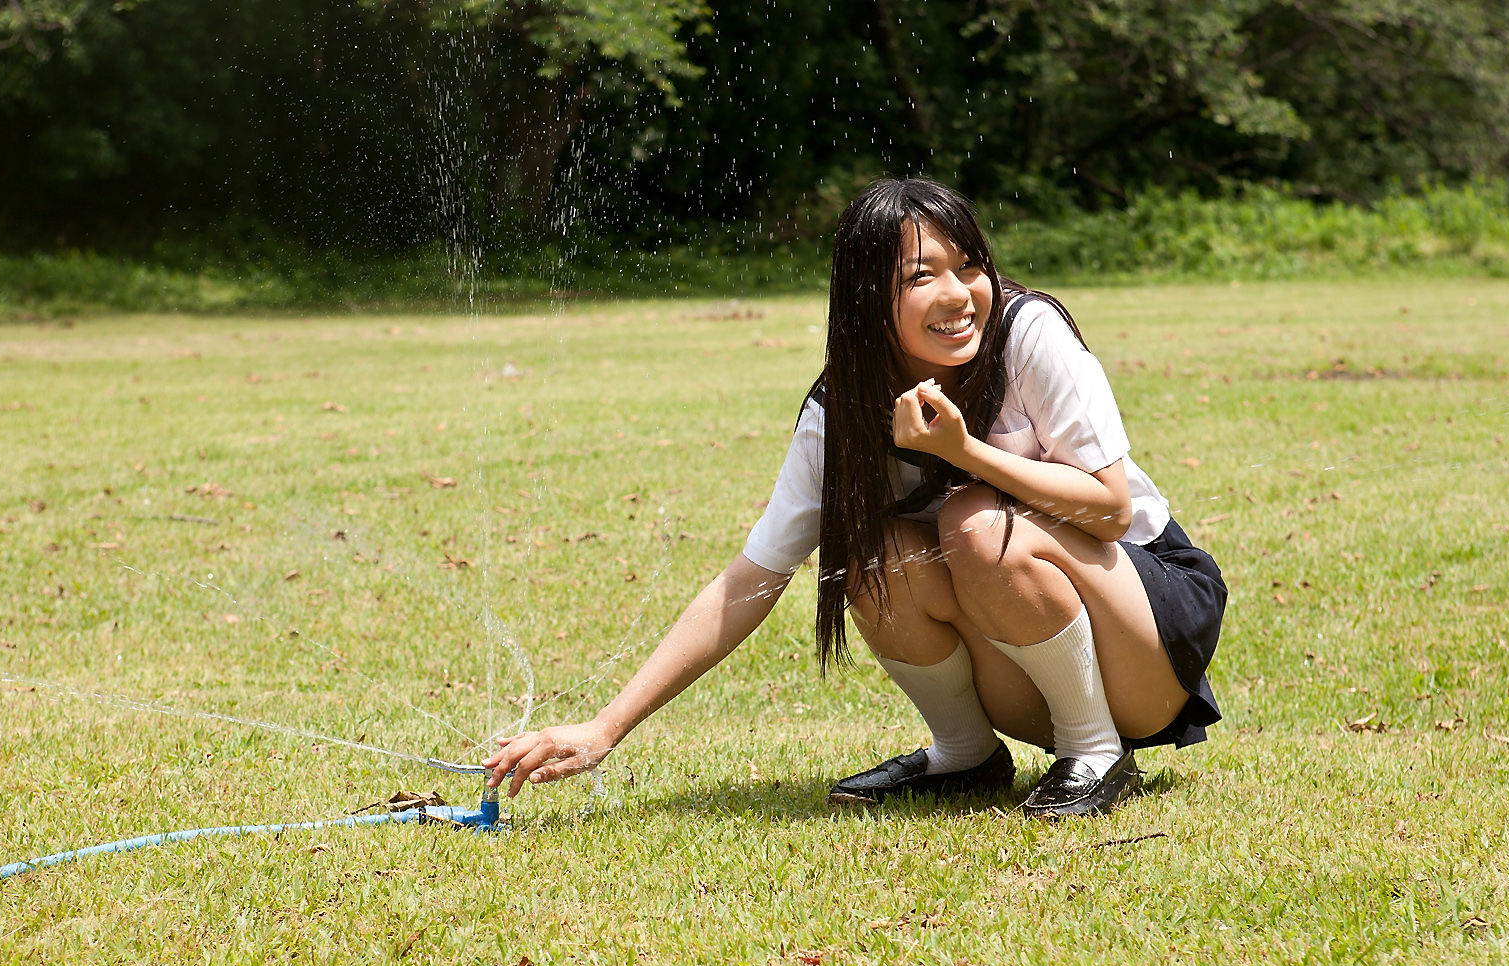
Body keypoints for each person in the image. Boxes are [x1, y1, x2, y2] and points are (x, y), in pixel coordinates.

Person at [484, 178, 1227, 818]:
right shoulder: (842, 412)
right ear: (869, 297)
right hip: (1038, 658)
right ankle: (966, 754)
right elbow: (752, 578)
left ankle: (1094, 752)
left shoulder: (1027, 333)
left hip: (1148, 630)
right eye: (921, 277)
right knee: (871, 553)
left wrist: (964, 454)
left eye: (969, 267)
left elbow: (1111, 508)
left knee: (972, 519)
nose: (959, 295)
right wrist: (606, 727)